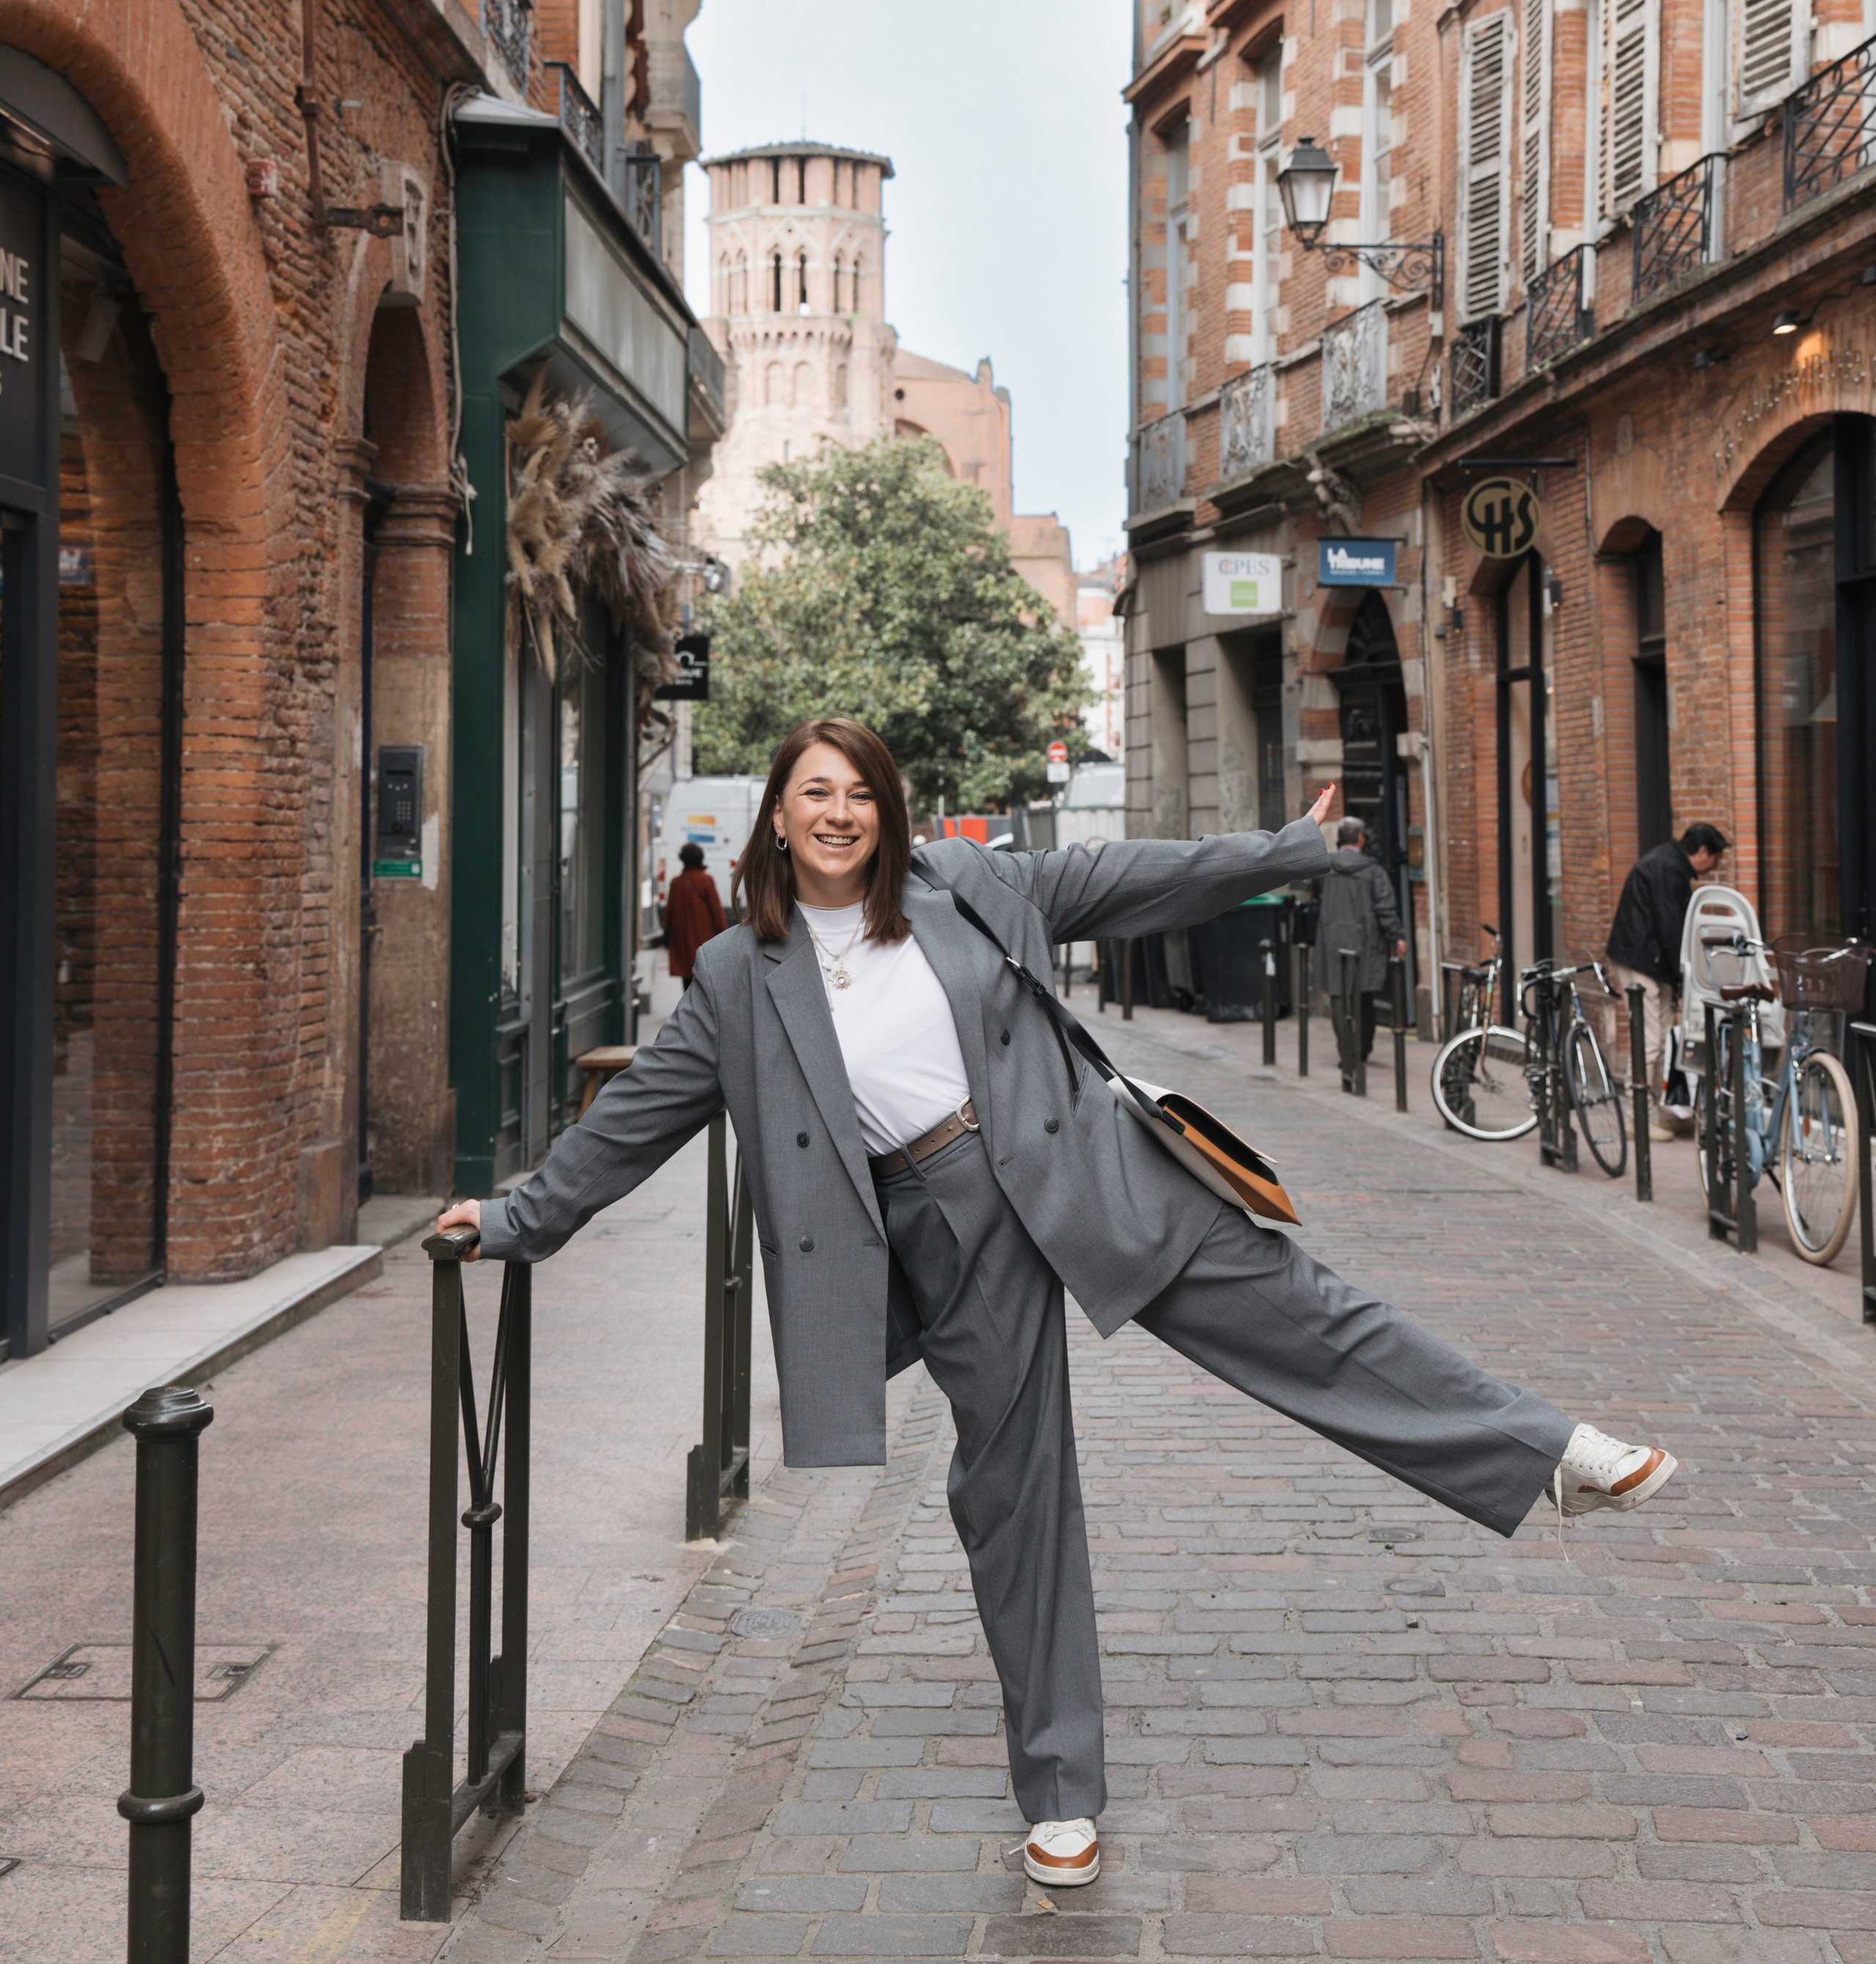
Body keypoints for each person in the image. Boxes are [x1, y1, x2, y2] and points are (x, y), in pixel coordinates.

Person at [437, 717, 1677, 1891]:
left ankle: (1547, 1453)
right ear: (775, 814)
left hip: (1078, 1162)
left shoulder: (965, 884)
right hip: (944, 1222)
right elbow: (640, 1116)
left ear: (888, 811)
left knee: (1306, 1313)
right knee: (1016, 1491)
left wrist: (1288, 850)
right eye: (815, 791)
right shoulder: (734, 976)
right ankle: (1060, 1795)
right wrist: (516, 1220)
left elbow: (1135, 874)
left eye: (861, 791)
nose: (840, 811)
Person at [1607, 822, 1729, 1112]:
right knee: (1650, 1037)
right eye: (1716, 857)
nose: (1716, 864)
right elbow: (1671, 927)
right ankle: (1639, 1113)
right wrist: (1685, 975)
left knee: (1658, 1034)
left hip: (1647, 959)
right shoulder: (1668, 868)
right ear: (1701, 852)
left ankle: (1649, 1106)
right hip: (1642, 960)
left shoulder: (1668, 862)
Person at [1315, 814, 1408, 1063]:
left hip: (1332, 937)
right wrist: (1397, 936)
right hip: (1364, 939)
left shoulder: (1324, 868)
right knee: (1364, 995)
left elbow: (1315, 898)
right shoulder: (1373, 871)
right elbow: (1385, 907)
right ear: (1360, 839)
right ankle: (1362, 1049)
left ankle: (1346, 1053)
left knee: (1338, 994)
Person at [662, 841, 727, 988]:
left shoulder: (676, 883)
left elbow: (669, 914)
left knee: (687, 982)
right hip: (705, 942)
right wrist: (724, 936)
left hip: (683, 943)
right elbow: (716, 911)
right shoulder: (706, 880)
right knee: (705, 982)